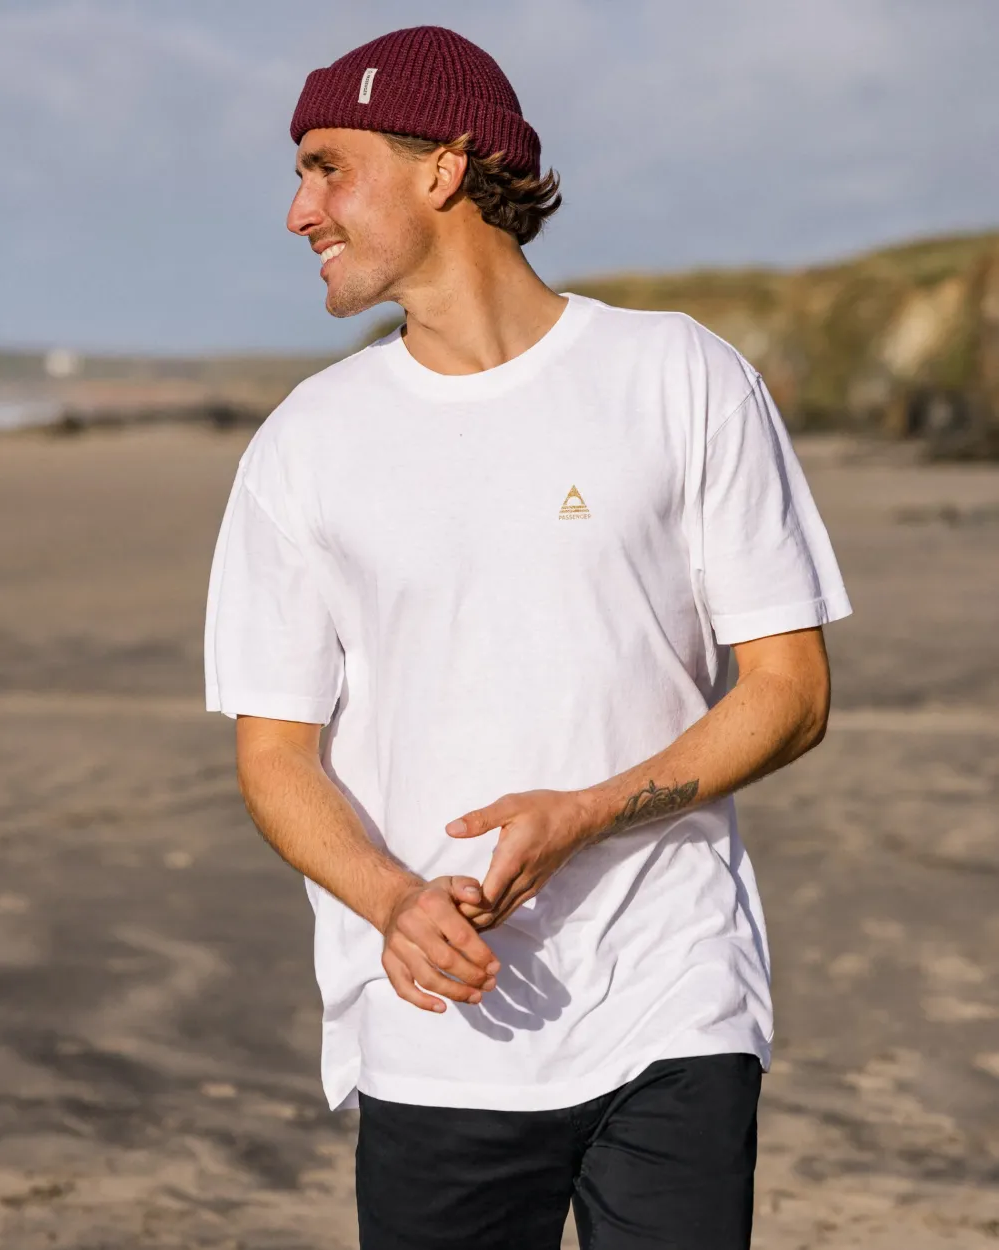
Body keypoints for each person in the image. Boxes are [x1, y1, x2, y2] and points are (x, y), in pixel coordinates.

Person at [205, 24, 852, 1250]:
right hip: (435, 1027)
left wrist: (588, 812)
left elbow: (791, 689)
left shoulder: (678, 374)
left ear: (443, 167)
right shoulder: (307, 441)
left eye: (328, 168)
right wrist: (395, 901)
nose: (299, 212)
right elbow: (274, 755)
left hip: (673, 1001)